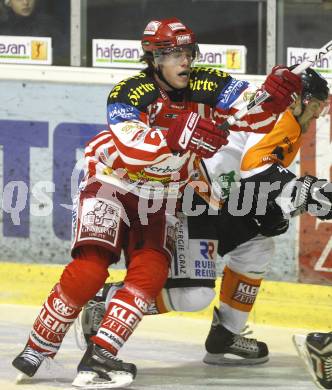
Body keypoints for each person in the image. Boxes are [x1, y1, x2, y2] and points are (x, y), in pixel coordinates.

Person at [12, 17, 301, 389]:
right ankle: (37, 349)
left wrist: (274, 99)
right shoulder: (128, 91)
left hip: (162, 196)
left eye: (187, 52)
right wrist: (179, 134)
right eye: (172, 54)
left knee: (149, 274)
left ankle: (100, 356)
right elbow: (131, 147)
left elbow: (251, 112)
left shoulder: (206, 83)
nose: (184, 61)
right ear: (153, 57)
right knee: (91, 266)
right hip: (111, 182)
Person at [76, 67, 331, 368]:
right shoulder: (283, 118)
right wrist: (305, 191)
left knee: (257, 245)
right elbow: (255, 167)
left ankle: (225, 336)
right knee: (192, 295)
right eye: (315, 108)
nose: (316, 117)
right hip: (189, 198)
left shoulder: (282, 121)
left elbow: (247, 178)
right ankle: (107, 302)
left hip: (214, 199)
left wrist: (280, 205)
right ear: (296, 101)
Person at [0, 0, 69, 65]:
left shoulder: (49, 25)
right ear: (8, 2)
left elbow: (62, 56)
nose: (26, 2)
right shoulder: (2, 28)